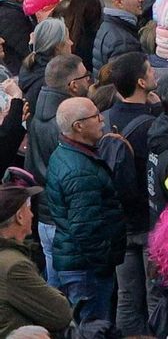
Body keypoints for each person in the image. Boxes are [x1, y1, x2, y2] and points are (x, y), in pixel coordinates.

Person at [45, 94, 126, 322]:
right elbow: (85, 228)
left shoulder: (67, 153)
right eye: (95, 116)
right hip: (87, 270)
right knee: (92, 328)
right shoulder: (79, 171)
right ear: (78, 126)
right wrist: (104, 262)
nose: (102, 119)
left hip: (80, 264)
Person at [0, 182, 72, 336]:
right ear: (19, 216)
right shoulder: (14, 266)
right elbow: (61, 314)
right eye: (29, 209)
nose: (32, 214)